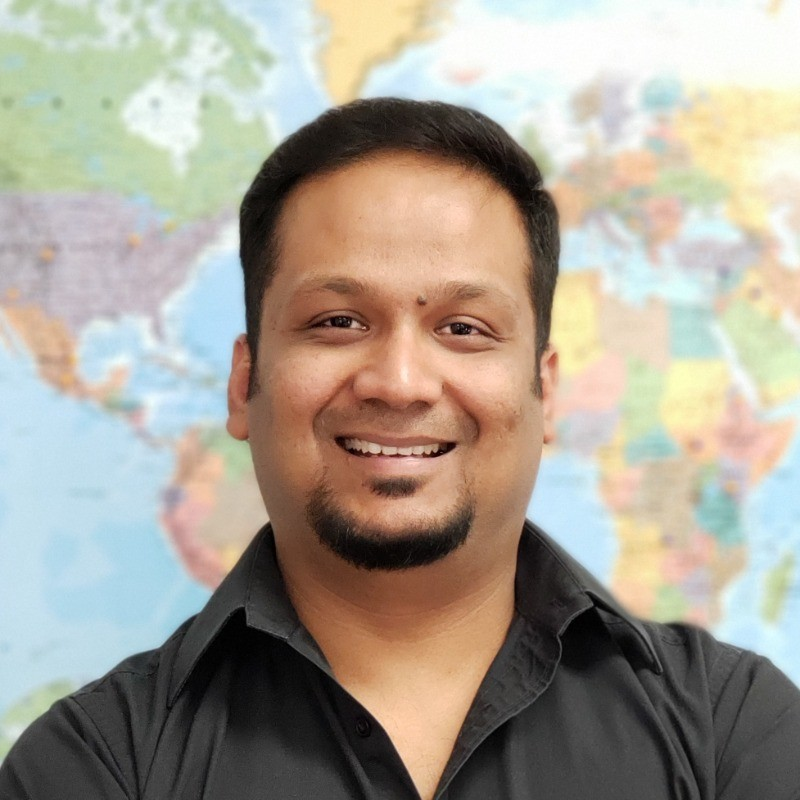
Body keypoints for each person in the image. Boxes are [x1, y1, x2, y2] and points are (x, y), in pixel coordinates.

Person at [1, 98, 798, 800]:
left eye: (463, 329)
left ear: (544, 391)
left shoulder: (732, 735)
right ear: (246, 382)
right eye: (338, 322)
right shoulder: (97, 766)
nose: (400, 382)